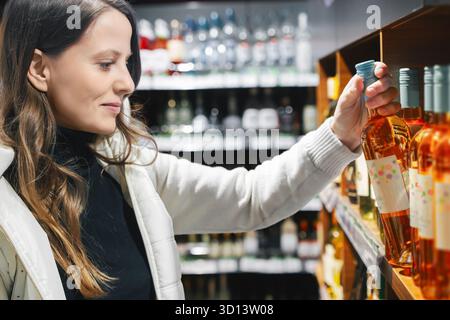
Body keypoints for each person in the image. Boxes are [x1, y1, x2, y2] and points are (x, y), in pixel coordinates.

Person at [0, 0, 400, 300]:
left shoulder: (130, 167)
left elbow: (251, 198)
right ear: (39, 69)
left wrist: (340, 134)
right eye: (106, 63)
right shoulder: (6, 205)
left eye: (127, 63)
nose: (127, 83)